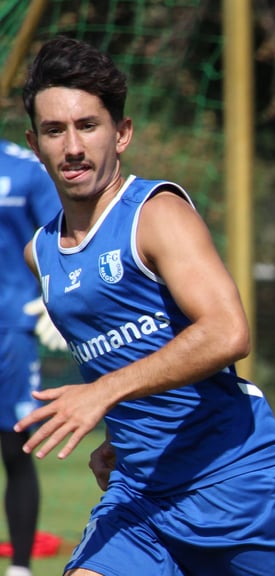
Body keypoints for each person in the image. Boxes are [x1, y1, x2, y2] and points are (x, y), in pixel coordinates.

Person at [14, 36, 275, 575]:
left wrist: (103, 394)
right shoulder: (41, 253)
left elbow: (227, 332)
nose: (72, 146)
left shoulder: (156, 213)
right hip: (140, 496)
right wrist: (118, 433)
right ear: (36, 142)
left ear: (121, 134)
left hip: (238, 483)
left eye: (88, 126)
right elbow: (128, 354)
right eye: (55, 130)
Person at [0, 138, 62, 576]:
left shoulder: (26, 169)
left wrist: (54, 300)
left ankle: (19, 569)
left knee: (16, 447)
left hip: (12, 329)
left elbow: (62, 240)